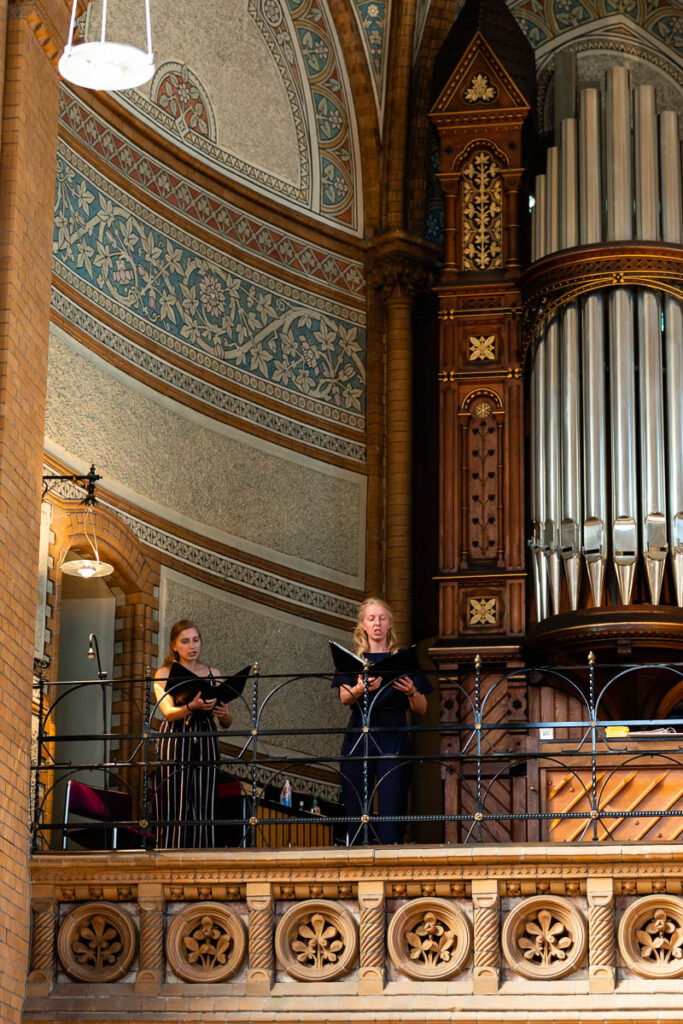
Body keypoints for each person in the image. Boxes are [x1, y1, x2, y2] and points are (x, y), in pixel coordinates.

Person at [335, 597, 431, 844]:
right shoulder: (352, 661)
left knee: (393, 799)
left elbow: (422, 708)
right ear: (363, 626)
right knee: (355, 797)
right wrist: (358, 688)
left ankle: (392, 852)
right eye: (371, 618)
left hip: (393, 734)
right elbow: (344, 697)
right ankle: (356, 853)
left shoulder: (404, 659)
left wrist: (411, 691)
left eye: (382, 618)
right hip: (360, 732)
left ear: (390, 624)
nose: (377, 623)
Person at [153, 619, 232, 848]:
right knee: (173, 802)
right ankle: (168, 857)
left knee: (204, 802)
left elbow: (226, 722)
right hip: (175, 737)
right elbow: (167, 713)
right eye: (185, 641)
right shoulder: (164, 673)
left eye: (195, 640)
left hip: (205, 736)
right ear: (174, 646)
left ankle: (203, 858)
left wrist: (224, 712)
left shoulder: (213, 673)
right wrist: (191, 707)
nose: (192, 646)